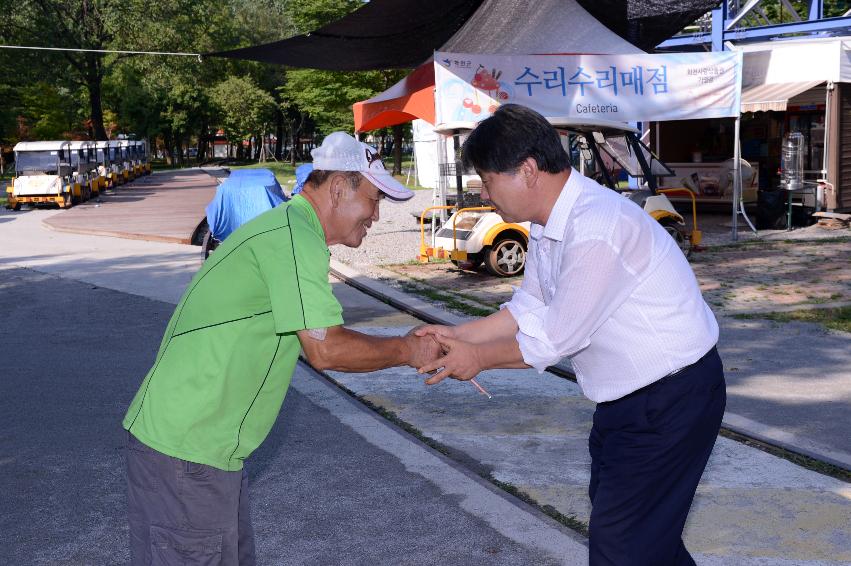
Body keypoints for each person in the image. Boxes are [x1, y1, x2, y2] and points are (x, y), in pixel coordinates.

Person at [415, 104, 725, 566]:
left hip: (671, 399)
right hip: (629, 400)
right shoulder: (549, 223)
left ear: (527, 170)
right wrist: (457, 335)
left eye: (487, 178)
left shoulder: (597, 226)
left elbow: (554, 339)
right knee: (643, 540)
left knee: (621, 544)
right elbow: (529, 308)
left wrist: (476, 359)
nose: (483, 191)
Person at [123, 132, 440, 565]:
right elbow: (325, 349)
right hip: (188, 452)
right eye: (374, 199)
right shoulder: (294, 237)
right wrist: (407, 351)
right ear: (338, 188)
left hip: (198, 450)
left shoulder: (288, 229)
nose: (377, 215)